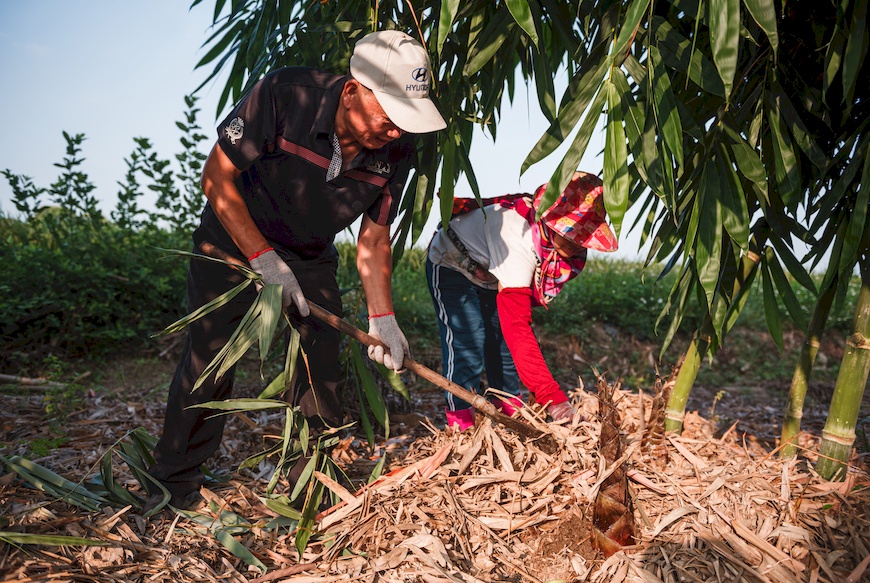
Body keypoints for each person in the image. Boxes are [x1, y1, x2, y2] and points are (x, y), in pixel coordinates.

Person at [145, 30, 446, 510]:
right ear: (352, 92)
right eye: (390, 118)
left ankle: (312, 485)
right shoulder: (286, 95)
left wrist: (383, 318)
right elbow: (216, 178)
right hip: (233, 237)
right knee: (211, 359)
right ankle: (172, 483)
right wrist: (264, 261)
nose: (397, 131)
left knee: (321, 363)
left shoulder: (398, 150)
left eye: (405, 123)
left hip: (309, 252)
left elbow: (373, 237)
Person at [426, 172, 618, 431]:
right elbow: (518, 327)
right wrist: (554, 400)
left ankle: (509, 421)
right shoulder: (520, 236)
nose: (579, 243)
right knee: (467, 345)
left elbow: (511, 333)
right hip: (453, 263)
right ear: (550, 222)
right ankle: (461, 427)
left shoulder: (554, 247)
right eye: (572, 233)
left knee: (501, 347)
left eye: (583, 235)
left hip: (491, 274)